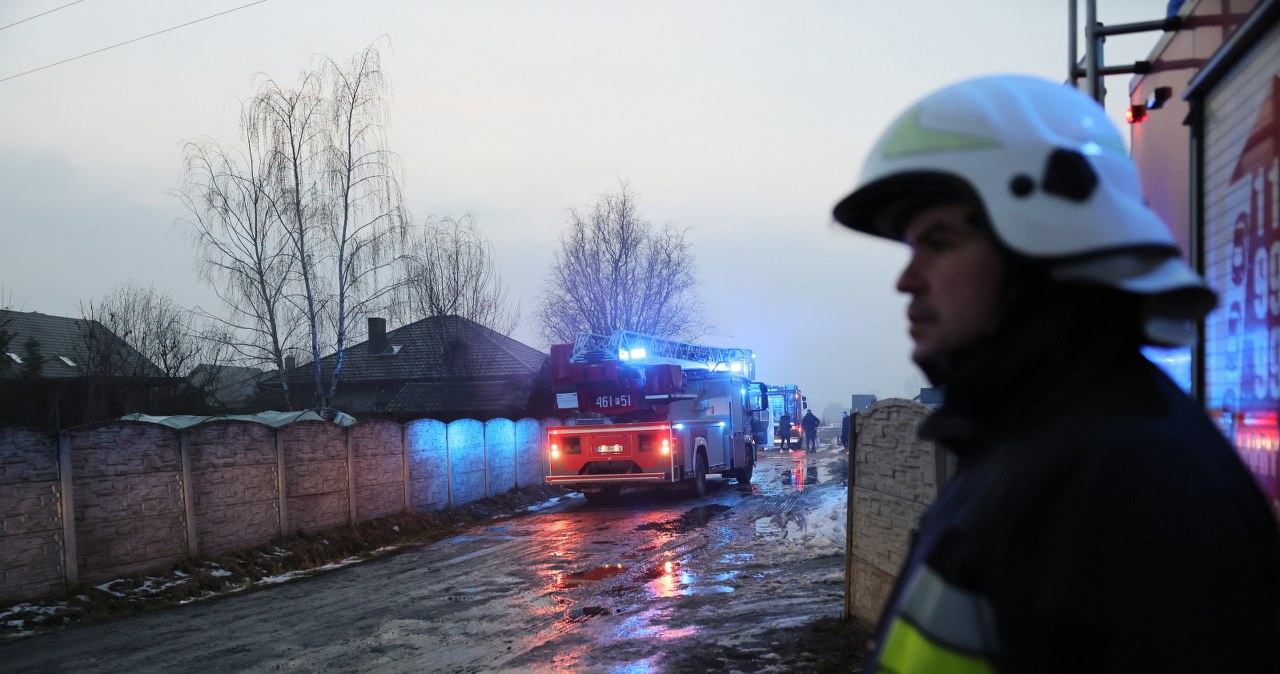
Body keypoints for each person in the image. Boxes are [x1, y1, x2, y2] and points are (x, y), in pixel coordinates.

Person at [832, 74, 1280, 672]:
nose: (906, 280)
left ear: (1043, 247)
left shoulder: (1132, 484)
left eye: (938, 243)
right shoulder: (1024, 445)